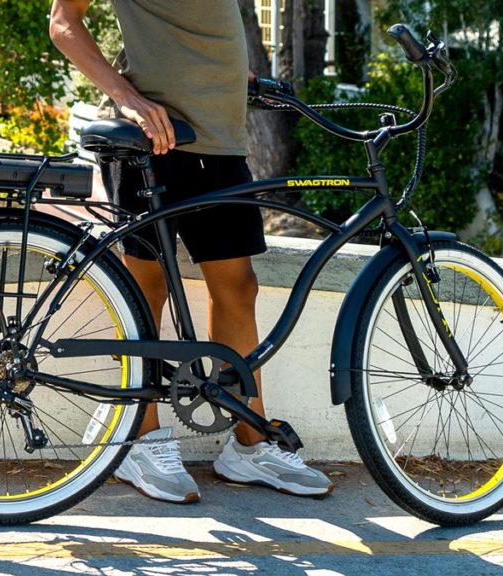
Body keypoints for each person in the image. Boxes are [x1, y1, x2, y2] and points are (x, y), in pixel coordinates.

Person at [48, 0, 333, 504]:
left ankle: (248, 445)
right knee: (144, 288)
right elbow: (63, 22)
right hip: (151, 144)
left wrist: (227, 73)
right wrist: (126, 96)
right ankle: (141, 438)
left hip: (220, 141)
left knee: (239, 287)